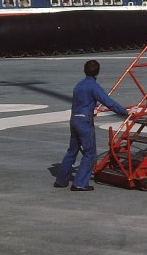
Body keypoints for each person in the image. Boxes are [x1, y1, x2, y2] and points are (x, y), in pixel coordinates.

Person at [54, 60, 131, 191]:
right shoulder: (93, 86)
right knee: (90, 153)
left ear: (84, 71)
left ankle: (61, 180)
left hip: (74, 120)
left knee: (72, 151)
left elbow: (80, 103)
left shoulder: (78, 85)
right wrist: (126, 112)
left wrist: (91, 109)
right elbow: (108, 102)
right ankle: (80, 183)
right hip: (84, 122)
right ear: (98, 72)